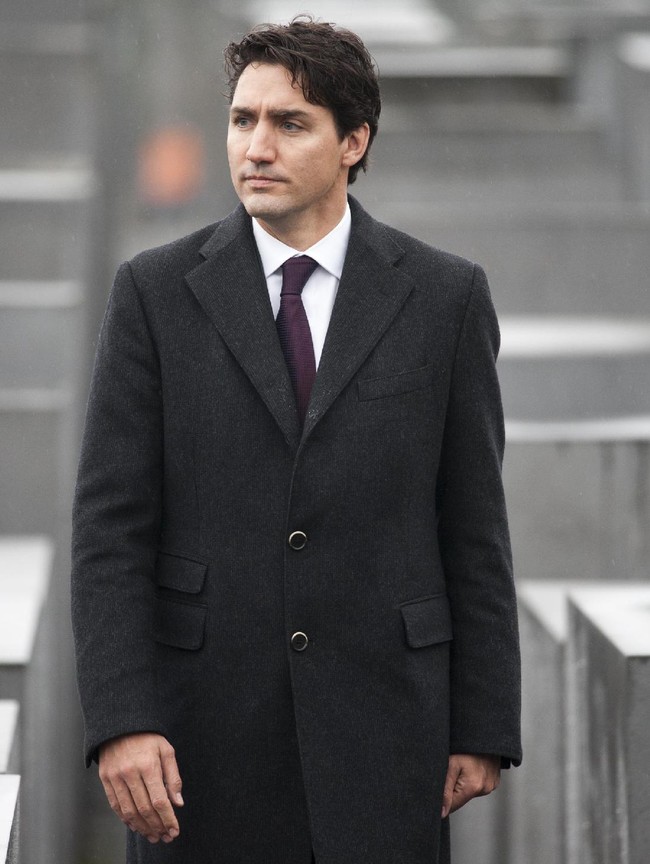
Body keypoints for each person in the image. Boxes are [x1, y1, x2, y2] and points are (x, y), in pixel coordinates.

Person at [71, 16, 521, 864]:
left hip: (390, 736)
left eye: (290, 123)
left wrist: (484, 722)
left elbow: (474, 528)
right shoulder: (154, 295)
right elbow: (109, 533)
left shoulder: (445, 297)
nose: (257, 146)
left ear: (354, 141)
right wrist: (122, 720)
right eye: (243, 120)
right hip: (197, 744)